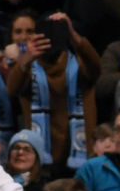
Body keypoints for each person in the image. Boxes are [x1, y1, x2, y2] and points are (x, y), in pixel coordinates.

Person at [5, 11, 101, 172]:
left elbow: (97, 70)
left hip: (80, 158)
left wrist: (74, 36)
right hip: (41, 163)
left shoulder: (79, 65)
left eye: (30, 31)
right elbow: (12, 90)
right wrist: (25, 61)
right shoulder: (25, 69)